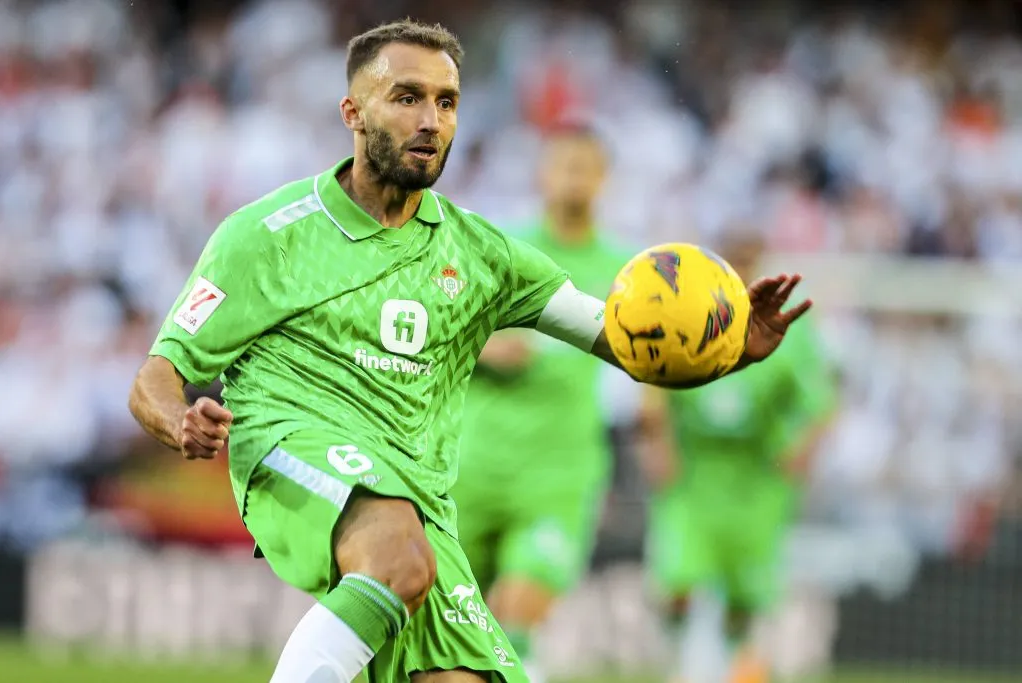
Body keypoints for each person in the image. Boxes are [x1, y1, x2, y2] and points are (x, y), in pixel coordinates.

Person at [127, 19, 811, 683]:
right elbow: (157, 376)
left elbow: (621, 340)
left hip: (421, 500)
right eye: (407, 97)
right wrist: (179, 417)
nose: (430, 118)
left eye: (446, 102)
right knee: (396, 554)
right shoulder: (265, 235)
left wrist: (727, 353)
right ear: (353, 111)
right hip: (292, 444)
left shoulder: (484, 255)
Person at [450, 122, 632, 682]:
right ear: (542, 174)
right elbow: (434, 329)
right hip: (472, 463)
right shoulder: (501, 249)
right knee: (449, 629)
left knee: (519, 611)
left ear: (604, 180)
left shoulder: (627, 269)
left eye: (586, 168)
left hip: (559, 472)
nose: (573, 179)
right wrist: (483, 346)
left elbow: (659, 356)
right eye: (563, 166)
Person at [637, 229, 837, 683]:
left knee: (746, 598)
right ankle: (684, 656)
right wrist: (657, 444)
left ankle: (730, 662)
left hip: (756, 482)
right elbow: (652, 379)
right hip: (695, 477)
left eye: (750, 260)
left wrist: (802, 452)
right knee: (678, 586)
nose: (742, 271)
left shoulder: (788, 334)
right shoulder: (687, 314)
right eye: (733, 261)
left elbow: (821, 402)